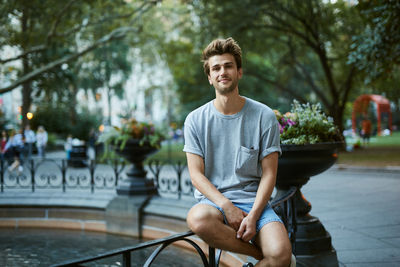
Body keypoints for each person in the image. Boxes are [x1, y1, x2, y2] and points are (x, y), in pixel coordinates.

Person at [184, 38, 294, 267]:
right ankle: (256, 254)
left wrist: (253, 216)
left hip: (255, 203)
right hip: (214, 203)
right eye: (216, 68)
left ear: (239, 72)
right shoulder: (195, 120)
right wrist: (227, 206)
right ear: (209, 77)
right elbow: (196, 175)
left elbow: (269, 174)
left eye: (228, 66)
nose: (222, 72)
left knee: (282, 255)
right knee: (197, 219)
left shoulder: (264, 116)